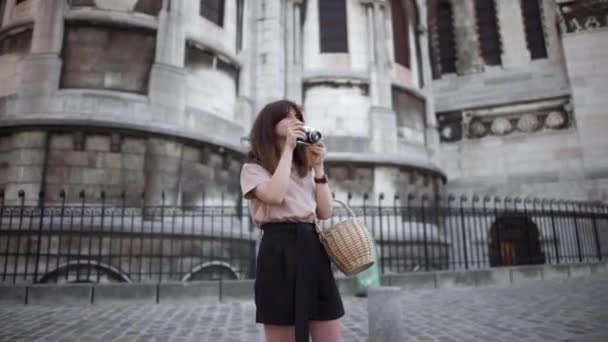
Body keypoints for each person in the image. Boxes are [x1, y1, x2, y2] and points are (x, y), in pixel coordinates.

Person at [240, 100, 344, 342]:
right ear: (269, 124)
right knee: (281, 324)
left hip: (312, 245)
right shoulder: (253, 166)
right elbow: (274, 196)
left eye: (298, 116)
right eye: (287, 116)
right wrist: (287, 149)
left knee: (327, 327)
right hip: (279, 248)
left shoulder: (303, 165)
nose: (295, 120)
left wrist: (318, 168)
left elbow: (326, 212)